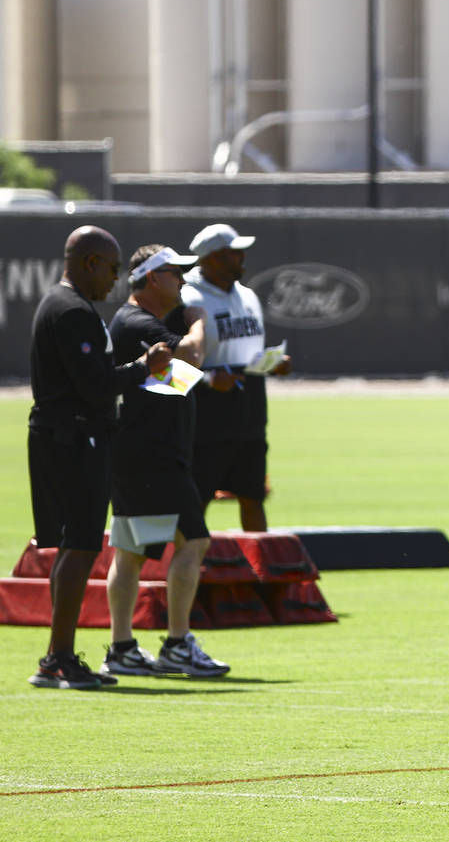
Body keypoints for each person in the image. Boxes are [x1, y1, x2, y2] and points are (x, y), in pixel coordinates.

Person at [26, 225, 172, 689]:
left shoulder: (67, 306)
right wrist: (143, 369)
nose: (115, 279)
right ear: (89, 263)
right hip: (73, 438)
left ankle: (58, 655)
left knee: (76, 545)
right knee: (82, 545)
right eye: (111, 268)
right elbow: (94, 386)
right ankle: (57, 657)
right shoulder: (71, 311)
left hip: (66, 436)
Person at [101, 244, 230, 679]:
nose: (184, 281)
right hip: (153, 453)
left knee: (131, 551)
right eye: (176, 274)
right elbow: (190, 357)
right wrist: (198, 322)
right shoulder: (139, 322)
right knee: (193, 541)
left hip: (138, 451)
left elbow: (179, 378)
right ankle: (176, 642)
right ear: (153, 278)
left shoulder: (135, 320)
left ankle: (122, 647)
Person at [182, 223, 291, 531]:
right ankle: (187, 573)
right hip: (208, 418)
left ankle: (261, 575)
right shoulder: (188, 298)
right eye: (235, 252)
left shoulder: (247, 296)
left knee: (252, 496)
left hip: (250, 414)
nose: (242, 257)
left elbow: (246, 353)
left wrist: (272, 363)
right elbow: (171, 364)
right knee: (198, 499)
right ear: (214, 257)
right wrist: (207, 379)